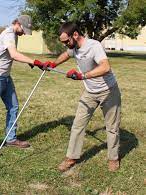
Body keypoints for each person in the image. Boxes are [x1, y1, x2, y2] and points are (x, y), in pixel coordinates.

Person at [45, 22, 121, 172]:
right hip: (90, 93)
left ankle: (113, 158)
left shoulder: (94, 46)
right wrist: (53, 64)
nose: (66, 45)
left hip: (109, 91)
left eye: (66, 41)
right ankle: (71, 157)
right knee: (78, 124)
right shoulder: (74, 48)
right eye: (63, 43)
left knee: (112, 127)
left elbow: (106, 67)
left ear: (75, 34)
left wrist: (83, 76)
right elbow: (67, 54)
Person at [0, 15, 46, 155]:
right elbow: (14, 54)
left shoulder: (14, 35)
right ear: (18, 23)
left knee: (13, 107)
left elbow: (12, 54)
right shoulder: (8, 34)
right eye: (24, 29)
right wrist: (34, 61)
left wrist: (29, 61)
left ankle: (11, 139)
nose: (24, 33)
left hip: (5, 77)